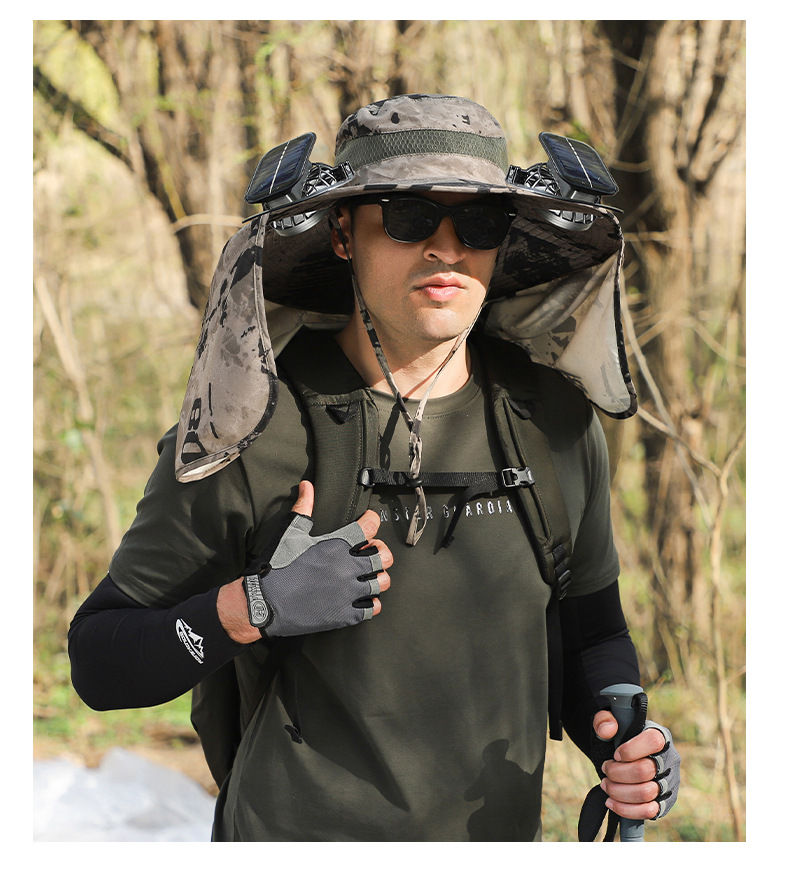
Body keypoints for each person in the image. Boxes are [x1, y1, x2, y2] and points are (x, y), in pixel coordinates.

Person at [68, 93, 680, 842]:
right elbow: (99, 659)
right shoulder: (254, 427)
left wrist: (624, 742)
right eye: (408, 216)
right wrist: (255, 606)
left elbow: (592, 634)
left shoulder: (551, 420)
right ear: (342, 233)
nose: (447, 248)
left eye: (480, 222)